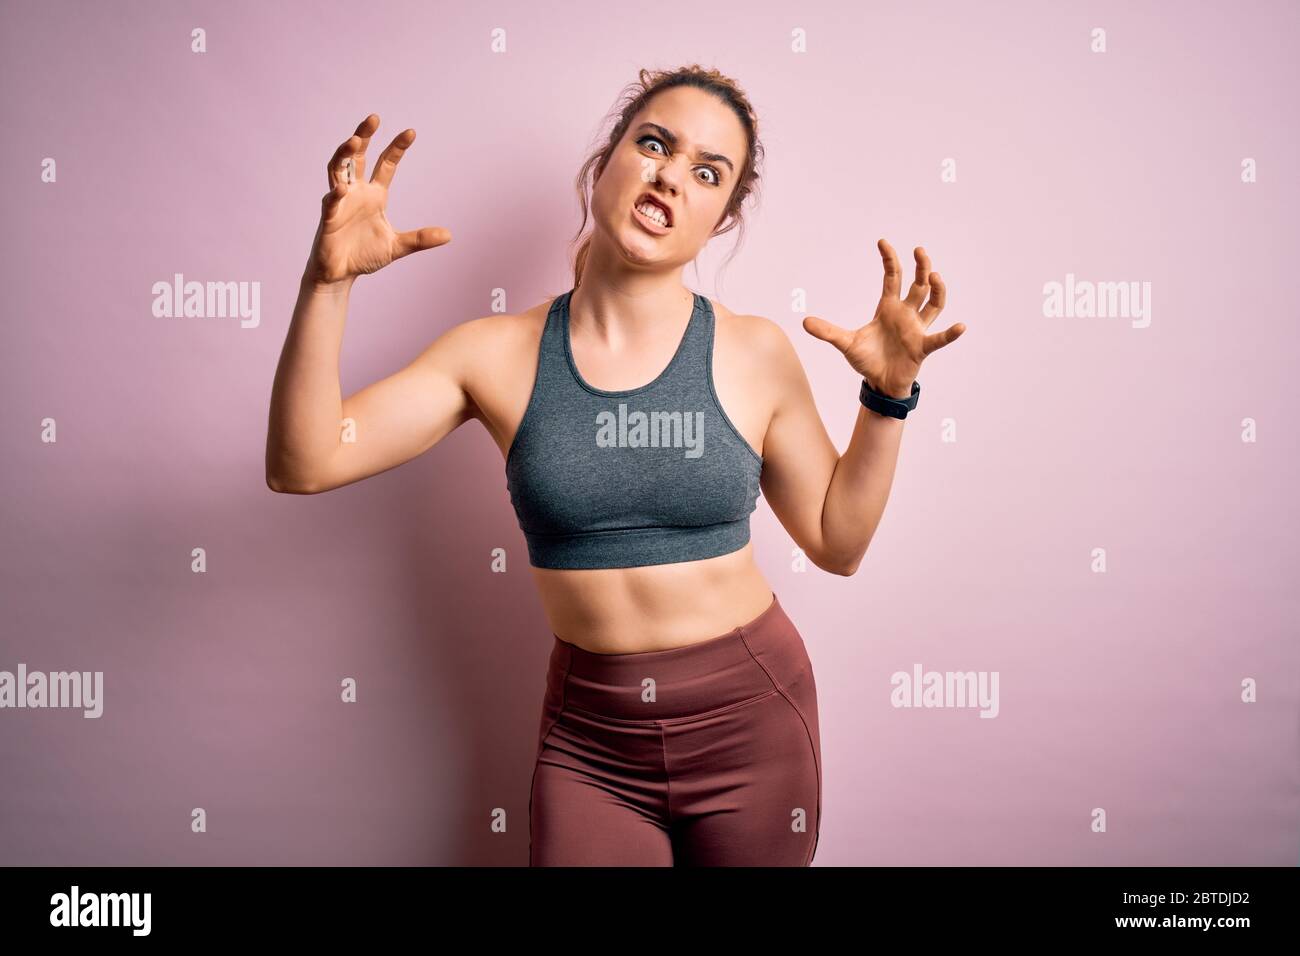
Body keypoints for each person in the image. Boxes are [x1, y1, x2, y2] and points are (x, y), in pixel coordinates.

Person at [265, 64, 964, 866]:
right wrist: (327, 285)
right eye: (654, 144)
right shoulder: (493, 354)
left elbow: (838, 543)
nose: (671, 174)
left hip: (753, 724)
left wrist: (887, 396)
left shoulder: (752, 352)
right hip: (591, 743)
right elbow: (305, 461)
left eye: (708, 172)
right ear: (608, 163)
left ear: (720, 221)